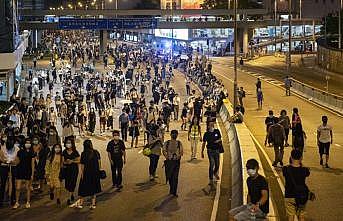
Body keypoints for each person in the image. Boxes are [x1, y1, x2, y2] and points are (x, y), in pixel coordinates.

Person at [73, 139, 102, 209]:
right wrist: (98, 170)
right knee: (93, 189)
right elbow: (99, 162)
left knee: (83, 189)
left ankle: (81, 203)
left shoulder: (83, 153)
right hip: (94, 173)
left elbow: (82, 165)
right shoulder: (96, 152)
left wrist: (82, 174)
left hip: (87, 173)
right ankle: (93, 204)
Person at [283, 149, 310, 221]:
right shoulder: (305, 170)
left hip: (289, 195)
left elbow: (286, 170)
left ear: (291, 157)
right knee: (301, 215)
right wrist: (301, 163)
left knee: (290, 216)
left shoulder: (285, 169)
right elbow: (307, 173)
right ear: (301, 157)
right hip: (301, 195)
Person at [13, 138, 35, 209]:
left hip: (28, 171)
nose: (27, 144)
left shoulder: (32, 153)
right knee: (18, 188)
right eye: (26, 142)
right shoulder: (20, 151)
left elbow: (32, 164)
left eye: (29, 143)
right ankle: (17, 202)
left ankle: (28, 202)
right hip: (20, 170)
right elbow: (17, 161)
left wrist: (32, 174)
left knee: (27, 188)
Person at [0, 136, 19, 207]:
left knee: (13, 183)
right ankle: (1, 200)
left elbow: (18, 159)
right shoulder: (3, 147)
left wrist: (14, 162)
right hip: (4, 166)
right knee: (3, 183)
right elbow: (1, 157)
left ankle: (13, 199)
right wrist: (4, 161)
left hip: (13, 167)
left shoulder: (17, 149)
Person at [163, 130, 183, 197]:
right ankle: (172, 189)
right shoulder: (167, 142)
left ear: (177, 135)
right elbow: (164, 150)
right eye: (173, 134)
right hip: (169, 162)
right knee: (170, 176)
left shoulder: (179, 143)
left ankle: (174, 191)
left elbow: (181, 152)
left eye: (175, 134)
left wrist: (178, 156)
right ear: (170, 135)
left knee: (175, 177)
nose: (174, 135)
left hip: (176, 162)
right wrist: (167, 156)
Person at [201, 120, 222, 186]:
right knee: (212, 164)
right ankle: (211, 179)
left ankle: (215, 173)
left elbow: (220, 139)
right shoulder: (206, 134)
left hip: (217, 150)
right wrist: (202, 151)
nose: (212, 125)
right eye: (210, 124)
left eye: (212, 124)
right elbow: (204, 143)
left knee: (217, 164)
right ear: (208, 125)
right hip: (210, 151)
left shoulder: (217, 131)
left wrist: (217, 141)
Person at [62, 138, 80, 205]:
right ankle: (71, 194)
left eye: (69, 143)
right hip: (67, 170)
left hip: (74, 170)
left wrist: (72, 161)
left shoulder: (75, 152)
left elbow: (79, 160)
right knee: (67, 183)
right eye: (67, 143)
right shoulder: (64, 152)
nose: (68, 144)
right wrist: (66, 162)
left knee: (72, 182)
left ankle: (69, 198)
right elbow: (63, 161)